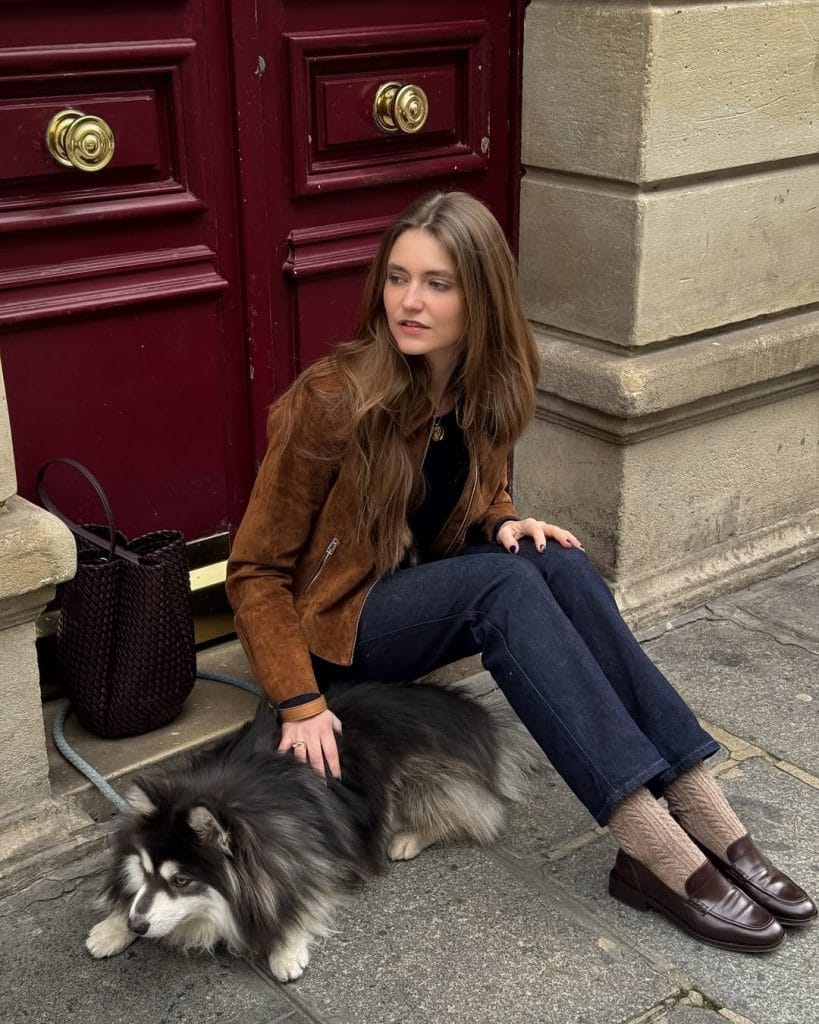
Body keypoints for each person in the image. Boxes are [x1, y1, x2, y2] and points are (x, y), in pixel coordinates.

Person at [226, 191, 815, 952]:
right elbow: (253, 570)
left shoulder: (488, 384)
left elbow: (470, 485)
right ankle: (651, 845)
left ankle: (705, 812)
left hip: (417, 596)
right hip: (336, 628)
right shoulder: (332, 401)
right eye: (397, 278)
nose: (408, 301)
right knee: (500, 586)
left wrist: (504, 518)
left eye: (437, 283)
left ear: (481, 297)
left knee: (553, 562)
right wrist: (299, 703)